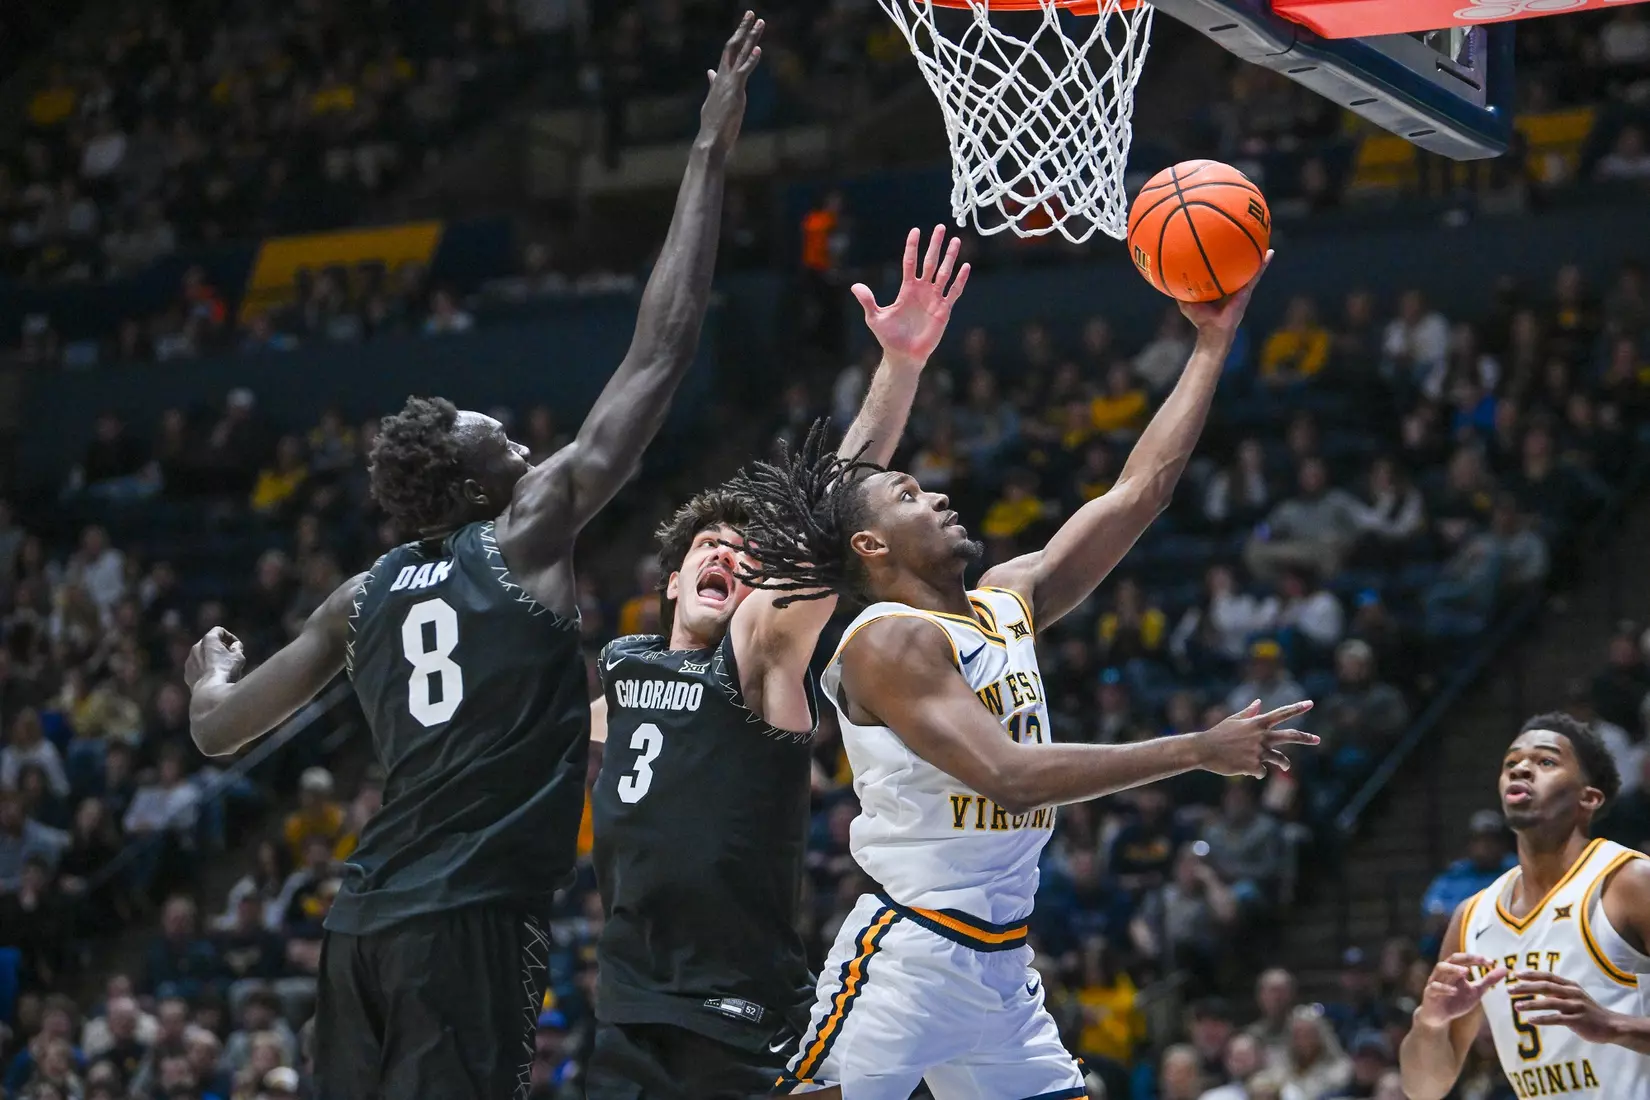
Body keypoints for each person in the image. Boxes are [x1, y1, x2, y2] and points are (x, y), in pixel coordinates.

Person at [181, 16, 764, 1099]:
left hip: (358, 924)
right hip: (469, 924)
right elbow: (660, 349)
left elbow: (220, 728)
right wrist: (706, 150)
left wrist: (208, 666)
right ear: (469, 484)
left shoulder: (359, 598)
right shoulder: (528, 532)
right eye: (503, 439)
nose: (529, 445)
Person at [731, 255, 1317, 1097]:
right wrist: (1196, 748)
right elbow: (1009, 778)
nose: (934, 497)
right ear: (871, 547)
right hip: (911, 953)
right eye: (907, 495)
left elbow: (1139, 493)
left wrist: (1211, 346)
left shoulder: (1008, 599)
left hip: (1002, 965)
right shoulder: (887, 641)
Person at [584, 224, 971, 1097]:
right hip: (628, 1015)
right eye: (709, 549)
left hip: (743, 1018)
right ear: (672, 576)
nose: (729, 558)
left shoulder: (754, 662)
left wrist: (900, 366)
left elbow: (824, 517)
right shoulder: (620, 666)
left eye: (744, 558)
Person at [1397, 713, 1650, 1099]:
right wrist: (1429, 1021)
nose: (1522, 770)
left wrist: (1614, 1025)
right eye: (1511, 764)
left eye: (1545, 761)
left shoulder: (1629, 882)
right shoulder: (1472, 917)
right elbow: (1423, 1089)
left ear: (1589, 797)